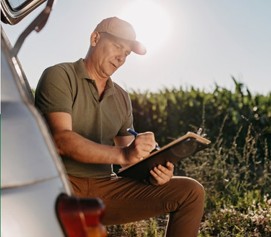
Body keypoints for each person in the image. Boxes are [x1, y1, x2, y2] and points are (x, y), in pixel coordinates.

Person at [35, 16, 205, 237]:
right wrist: (124, 154)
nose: (121, 58)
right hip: (61, 185)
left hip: (105, 188)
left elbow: (130, 162)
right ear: (95, 38)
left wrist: (154, 169)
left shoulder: (122, 97)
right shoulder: (59, 75)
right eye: (117, 46)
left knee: (191, 192)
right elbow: (61, 141)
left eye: (126, 53)